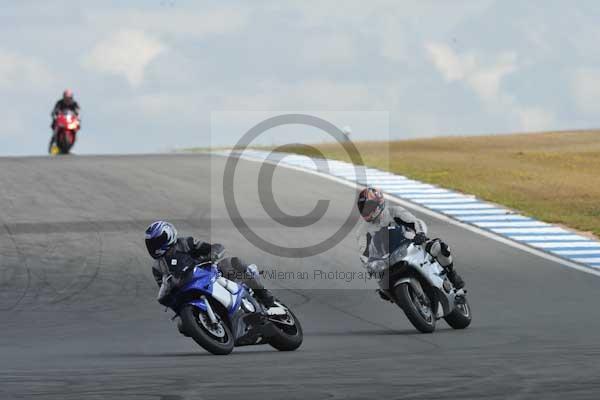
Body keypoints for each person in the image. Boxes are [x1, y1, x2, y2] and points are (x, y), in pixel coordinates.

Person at [144, 220, 275, 309]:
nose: (155, 247)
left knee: (234, 263)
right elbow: (163, 287)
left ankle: (263, 295)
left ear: (169, 235)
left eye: (158, 241)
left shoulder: (186, 243)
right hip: (188, 288)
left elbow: (213, 248)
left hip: (209, 272)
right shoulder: (157, 267)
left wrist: (213, 255)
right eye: (152, 244)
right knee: (183, 327)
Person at [356, 187, 465, 289]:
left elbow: (414, 221)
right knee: (382, 285)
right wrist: (369, 266)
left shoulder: (394, 212)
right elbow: (364, 253)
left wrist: (420, 234)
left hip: (411, 245)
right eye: (363, 208)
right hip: (387, 259)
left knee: (438, 247)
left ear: (378, 202)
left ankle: (452, 274)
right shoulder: (362, 231)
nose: (366, 210)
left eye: (368, 206)